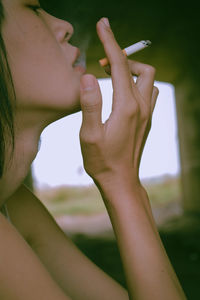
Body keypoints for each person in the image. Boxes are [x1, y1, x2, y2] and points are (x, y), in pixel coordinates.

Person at [0, 1, 187, 299]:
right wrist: (122, 184)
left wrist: (121, 180)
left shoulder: (18, 208)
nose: (66, 27)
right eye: (33, 8)